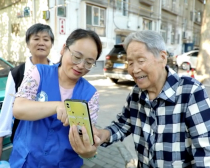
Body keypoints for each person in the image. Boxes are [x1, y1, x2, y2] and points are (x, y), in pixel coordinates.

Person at [89, 30, 210, 167]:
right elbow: (122, 125)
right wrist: (101, 134)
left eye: (140, 61)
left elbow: (205, 154)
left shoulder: (191, 92)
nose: (134, 70)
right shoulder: (136, 93)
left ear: (162, 58)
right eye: (130, 63)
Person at [9, 28, 102, 167]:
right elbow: (18, 109)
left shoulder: (91, 94)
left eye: (89, 62)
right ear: (64, 49)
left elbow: (87, 139)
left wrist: (89, 151)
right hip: (26, 161)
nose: (81, 65)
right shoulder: (38, 73)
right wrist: (57, 105)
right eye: (77, 56)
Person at [0, 23, 55, 163]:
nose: (41, 43)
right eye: (36, 39)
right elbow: (7, 109)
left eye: (46, 39)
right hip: (24, 142)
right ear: (28, 43)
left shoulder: (58, 72)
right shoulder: (17, 73)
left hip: (52, 141)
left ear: (51, 44)